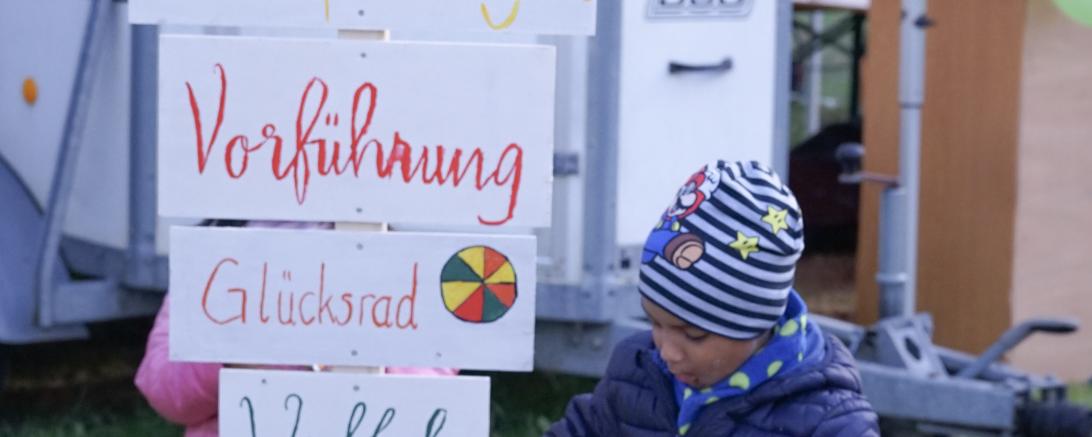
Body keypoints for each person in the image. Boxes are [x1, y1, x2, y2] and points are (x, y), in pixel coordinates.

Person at [546, 160, 879, 436]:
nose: (667, 351)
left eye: (694, 334)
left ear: (755, 324)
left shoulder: (830, 423)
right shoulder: (636, 370)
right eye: (655, 323)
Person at [134, 220, 456, 437]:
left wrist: (349, 364)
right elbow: (163, 387)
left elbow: (433, 385)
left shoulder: (401, 258)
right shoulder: (218, 249)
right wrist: (228, 361)